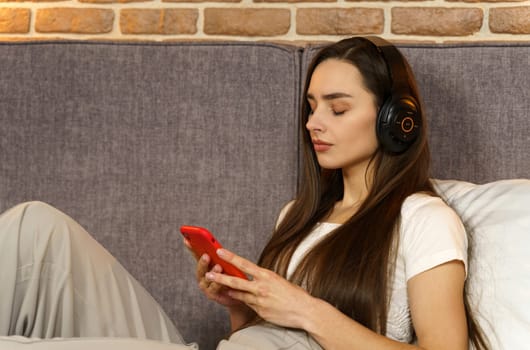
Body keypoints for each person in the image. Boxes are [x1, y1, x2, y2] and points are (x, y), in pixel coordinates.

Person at [0, 36, 488, 350]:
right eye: (311, 107)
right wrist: (239, 307)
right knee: (33, 227)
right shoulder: (297, 215)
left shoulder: (422, 218)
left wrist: (303, 308)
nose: (314, 123)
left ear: (394, 121)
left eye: (337, 109)